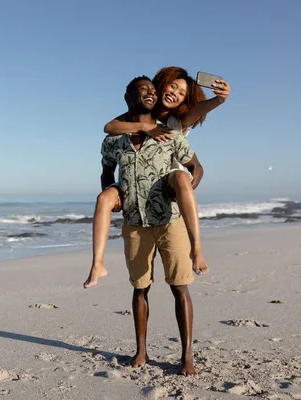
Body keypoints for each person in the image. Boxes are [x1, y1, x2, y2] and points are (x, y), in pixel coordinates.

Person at [83, 66, 230, 289]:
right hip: (139, 186)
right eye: (173, 86)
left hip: (169, 180)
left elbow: (198, 113)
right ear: (161, 84)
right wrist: (145, 127)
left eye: (182, 94)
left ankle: (197, 250)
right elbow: (109, 127)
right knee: (104, 198)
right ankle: (97, 264)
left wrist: (218, 100)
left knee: (180, 177)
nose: (175, 94)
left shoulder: (176, 121)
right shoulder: (137, 115)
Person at [100, 75, 203, 374]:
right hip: (135, 223)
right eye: (142, 89)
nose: (149, 93)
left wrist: (184, 188)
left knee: (180, 287)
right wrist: (114, 194)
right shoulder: (113, 138)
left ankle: (187, 357)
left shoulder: (169, 134)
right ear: (128, 96)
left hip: (170, 222)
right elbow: (107, 172)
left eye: (152, 90)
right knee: (140, 288)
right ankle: (141, 351)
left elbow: (195, 166)